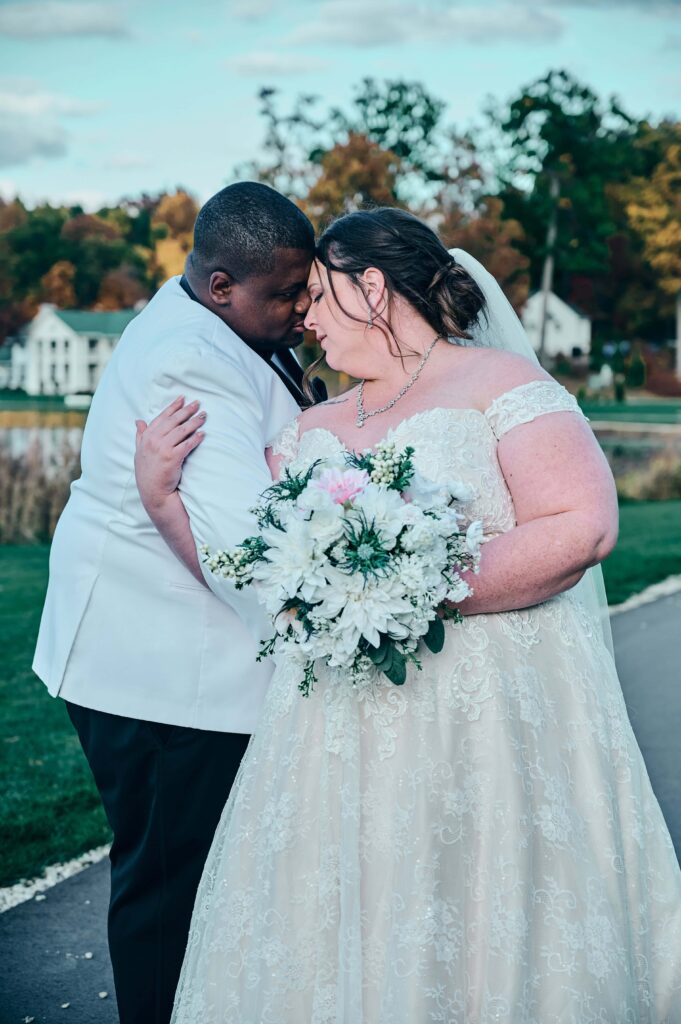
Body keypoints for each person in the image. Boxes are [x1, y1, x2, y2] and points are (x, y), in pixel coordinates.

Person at [135, 207, 681, 1022]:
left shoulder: (501, 384)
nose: (305, 317)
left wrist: (413, 585)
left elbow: (582, 525)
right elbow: (260, 576)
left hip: (492, 716)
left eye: (319, 295)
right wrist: (160, 499)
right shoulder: (307, 429)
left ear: (372, 286)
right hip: (337, 734)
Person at [32, 182, 326, 1024]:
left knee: (200, 881)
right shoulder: (190, 358)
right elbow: (244, 549)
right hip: (159, 672)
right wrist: (325, 623)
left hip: (156, 655)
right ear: (223, 283)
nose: (301, 307)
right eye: (286, 293)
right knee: (171, 890)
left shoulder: (212, 319)